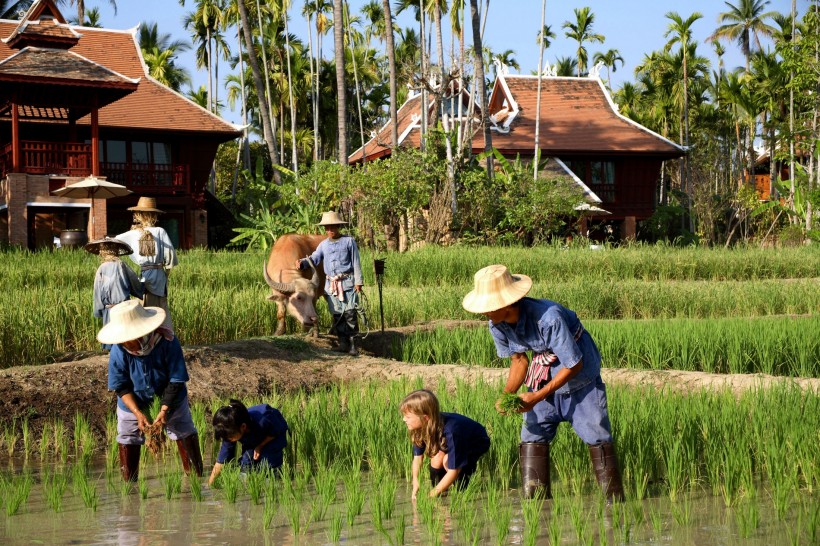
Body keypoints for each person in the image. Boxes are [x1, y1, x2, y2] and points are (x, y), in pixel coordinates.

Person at [462, 264, 624, 502]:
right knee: (532, 437)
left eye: (488, 308)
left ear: (505, 304)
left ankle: (615, 505)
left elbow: (573, 364)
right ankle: (536, 507)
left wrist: (536, 397)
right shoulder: (496, 324)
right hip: (543, 373)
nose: (484, 313)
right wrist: (508, 395)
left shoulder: (548, 318)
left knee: (597, 437)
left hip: (581, 379)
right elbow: (519, 361)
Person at [100, 299, 202, 482]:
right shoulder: (119, 350)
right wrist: (137, 413)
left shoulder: (167, 342)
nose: (124, 343)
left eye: (127, 339)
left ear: (140, 333)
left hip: (170, 397)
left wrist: (164, 410)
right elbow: (121, 385)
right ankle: (129, 485)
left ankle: (195, 479)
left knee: (183, 428)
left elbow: (176, 379)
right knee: (127, 433)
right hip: (134, 400)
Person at [400, 389, 490, 499]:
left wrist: (429, 496)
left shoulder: (452, 431)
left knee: (448, 461)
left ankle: (461, 495)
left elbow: (453, 470)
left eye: (408, 417)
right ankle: (441, 493)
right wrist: (415, 481)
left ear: (425, 418)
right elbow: (417, 458)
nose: (404, 419)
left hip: (475, 441)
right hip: (449, 440)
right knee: (437, 459)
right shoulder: (420, 427)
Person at [296, 211, 363, 356]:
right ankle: (343, 343)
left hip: (347, 283)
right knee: (337, 315)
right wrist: (302, 263)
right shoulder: (323, 245)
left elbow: (356, 262)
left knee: (350, 313)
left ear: (338, 226)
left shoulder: (349, 241)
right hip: (331, 285)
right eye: (327, 227)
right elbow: (314, 258)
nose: (330, 230)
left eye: (333, 227)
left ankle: (353, 345)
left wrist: (358, 281)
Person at [117, 196, 178, 332]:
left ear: (138, 215)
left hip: (145, 275)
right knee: (161, 308)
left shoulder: (133, 233)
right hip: (159, 275)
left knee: (146, 309)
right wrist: (165, 274)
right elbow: (170, 258)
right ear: (154, 216)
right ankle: (165, 337)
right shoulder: (160, 232)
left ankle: (148, 338)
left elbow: (115, 241)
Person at [208, 399, 289, 486]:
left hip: (272, 435)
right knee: (246, 463)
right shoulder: (229, 432)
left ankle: (275, 479)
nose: (229, 440)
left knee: (268, 462)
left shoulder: (263, 419)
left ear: (243, 427)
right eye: (227, 438)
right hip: (251, 436)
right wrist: (210, 485)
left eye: (231, 437)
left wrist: (260, 446)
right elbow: (221, 461)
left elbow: (276, 432)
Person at [85, 237, 144, 350]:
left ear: (102, 252)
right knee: (125, 340)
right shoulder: (121, 265)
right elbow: (134, 283)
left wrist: (98, 311)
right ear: (116, 251)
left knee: (112, 339)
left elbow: (97, 292)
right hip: (123, 308)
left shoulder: (101, 268)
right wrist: (142, 286)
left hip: (109, 310)